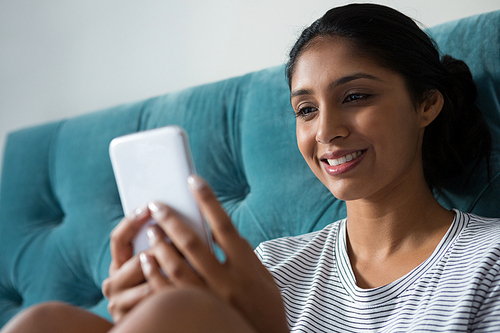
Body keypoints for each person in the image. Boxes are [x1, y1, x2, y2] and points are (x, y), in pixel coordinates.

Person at [1, 3, 499, 332]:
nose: (326, 131)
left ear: (426, 105)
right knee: (43, 322)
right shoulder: (267, 265)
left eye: (356, 97)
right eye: (306, 109)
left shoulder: (488, 261)